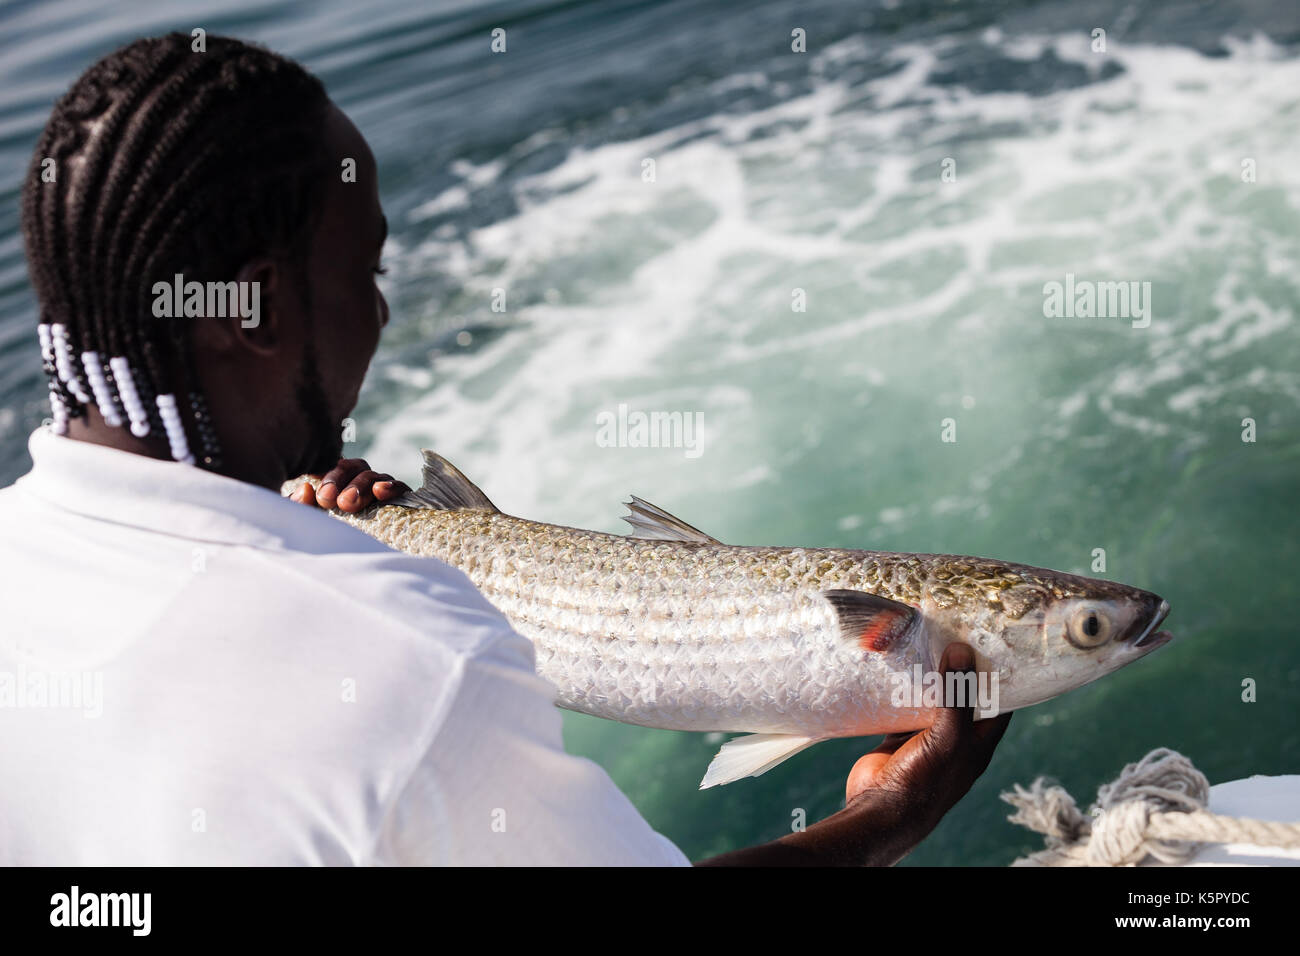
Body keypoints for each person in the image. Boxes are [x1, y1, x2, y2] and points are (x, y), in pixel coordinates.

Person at [0, 32, 1010, 866]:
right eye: (368, 270)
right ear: (255, 309)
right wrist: (894, 812)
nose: (383, 313)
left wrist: (288, 542)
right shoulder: (417, 661)